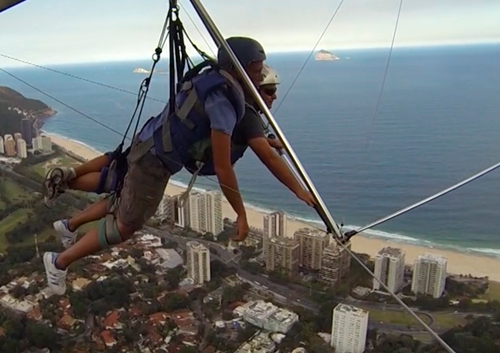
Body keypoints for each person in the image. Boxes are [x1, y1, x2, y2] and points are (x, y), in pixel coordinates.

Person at [40, 38, 314, 295]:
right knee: (125, 225)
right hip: (156, 162)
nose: (258, 78)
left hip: (149, 138)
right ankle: (59, 262)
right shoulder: (226, 104)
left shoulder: (212, 80)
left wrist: (266, 141)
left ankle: (66, 206)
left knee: (118, 188)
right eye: (255, 73)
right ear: (237, 69)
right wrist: (244, 212)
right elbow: (227, 167)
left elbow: (232, 136)